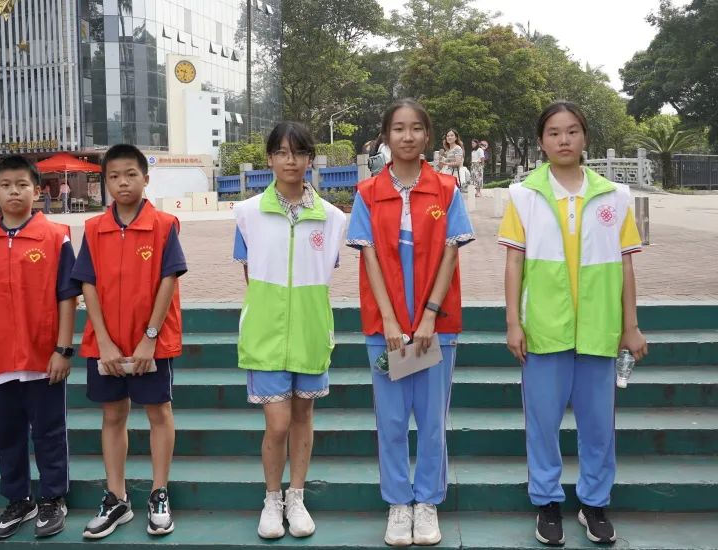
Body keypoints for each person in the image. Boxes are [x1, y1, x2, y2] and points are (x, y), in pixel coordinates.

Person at [497, 101, 648, 546]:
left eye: (572, 131)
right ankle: (547, 502)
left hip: (600, 331)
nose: (563, 140)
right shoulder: (523, 195)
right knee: (543, 424)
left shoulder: (614, 196)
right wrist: (513, 322)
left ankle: (594, 503)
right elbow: (513, 263)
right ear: (541, 142)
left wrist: (631, 325)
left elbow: (626, 265)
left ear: (585, 137)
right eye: (554, 133)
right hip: (544, 331)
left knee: (598, 427)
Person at [347, 99, 475, 547]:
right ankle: (399, 503)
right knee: (392, 420)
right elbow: (369, 257)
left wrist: (429, 317)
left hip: (437, 326)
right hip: (385, 329)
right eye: (398, 128)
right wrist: (389, 319)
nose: (407, 136)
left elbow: (451, 253)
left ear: (427, 136)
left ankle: (428, 502)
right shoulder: (367, 192)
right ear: (386, 136)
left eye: (416, 128)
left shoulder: (446, 189)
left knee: (433, 420)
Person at [0, 155, 80, 540]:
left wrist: (63, 349)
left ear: (37, 191)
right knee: (7, 434)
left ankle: (53, 498)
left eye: (23, 184)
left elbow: (68, 296)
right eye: (6, 185)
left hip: (43, 357)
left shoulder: (56, 236)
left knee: (49, 431)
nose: (14, 192)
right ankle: (19, 500)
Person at [233, 122, 346, 540]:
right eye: (281, 152)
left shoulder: (332, 218)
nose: (290, 160)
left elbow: (323, 271)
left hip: (311, 332)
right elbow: (250, 274)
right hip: (265, 335)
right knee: (277, 423)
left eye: (298, 152)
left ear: (310, 159)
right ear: (269, 159)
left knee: (303, 417)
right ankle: (272, 498)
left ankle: (296, 497)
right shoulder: (248, 213)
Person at [71, 143, 187, 540]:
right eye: (114, 176)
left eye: (131, 175)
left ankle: (159, 493)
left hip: (151, 343)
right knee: (112, 415)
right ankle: (117, 497)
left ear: (146, 178)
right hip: (106, 345)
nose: (123, 182)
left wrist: (149, 338)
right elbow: (87, 284)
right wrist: (103, 342)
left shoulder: (164, 225)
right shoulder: (93, 229)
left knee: (159, 413)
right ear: (105, 181)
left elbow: (168, 281)